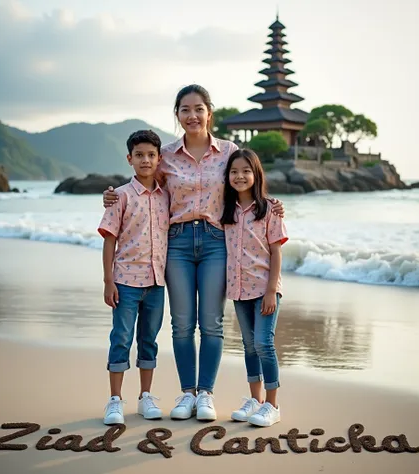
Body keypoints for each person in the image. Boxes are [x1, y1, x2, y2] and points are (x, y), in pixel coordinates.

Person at [103, 84, 285, 421]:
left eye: (198, 108)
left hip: (218, 241)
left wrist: (271, 204)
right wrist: (111, 196)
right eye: (185, 109)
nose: (192, 115)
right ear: (177, 115)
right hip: (178, 243)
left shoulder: (229, 150)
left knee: (212, 324)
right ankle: (187, 393)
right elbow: (142, 185)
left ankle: (206, 395)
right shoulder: (167, 155)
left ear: (209, 112)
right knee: (182, 324)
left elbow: (246, 180)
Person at [98, 130, 170, 425]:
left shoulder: (167, 195)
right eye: (139, 155)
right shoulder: (121, 196)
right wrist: (107, 280)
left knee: (149, 340)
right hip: (125, 282)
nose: (146, 160)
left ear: (159, 159)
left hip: (156, 282)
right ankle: (115, 401)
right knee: (121, 338)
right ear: (130, 159)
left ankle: (145, 397)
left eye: (151, 155)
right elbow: (109, 239)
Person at [220, 148, 288, 427]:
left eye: (246, 171)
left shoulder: (270, 209)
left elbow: (276, 252)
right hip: (238, 290)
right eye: (234, 172)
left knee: (264, 343)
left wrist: (272, 290)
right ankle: (255, 400)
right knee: (249, 346)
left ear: (256, 174)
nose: (240, 176)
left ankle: (273, 405)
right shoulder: (225, 210)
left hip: (264, 289)